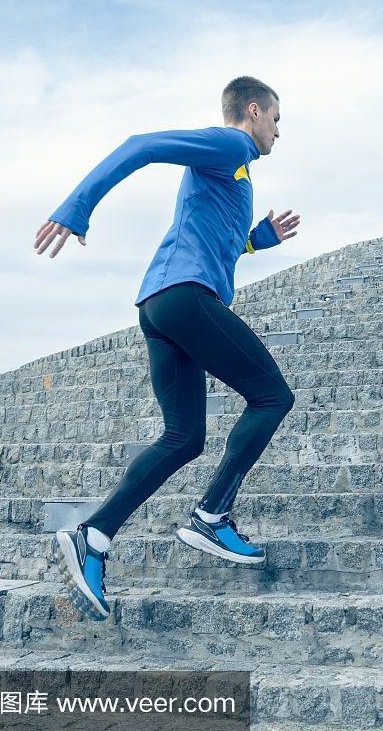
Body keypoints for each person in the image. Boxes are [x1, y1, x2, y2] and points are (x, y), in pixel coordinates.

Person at [34, 76, 300, 621]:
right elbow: (142, 145)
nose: (279, 130)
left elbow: (218, 238)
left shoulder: (235, 171)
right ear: (253, 111)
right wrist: (75, 208)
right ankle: (211, 516)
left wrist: (258, 239)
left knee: (183, 438)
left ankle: (94, 536)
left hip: (159, 303)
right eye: (276, 118)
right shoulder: (232, 144)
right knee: (272, 396)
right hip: (184, 296)